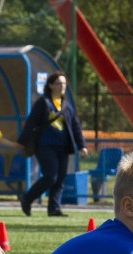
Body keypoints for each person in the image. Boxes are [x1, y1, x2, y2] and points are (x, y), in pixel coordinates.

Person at [18, 72, 88, 217]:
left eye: (64, 83)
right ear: (50, 85)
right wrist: (23, 142)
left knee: (60, 178)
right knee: (51, 176)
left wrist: (82, 146)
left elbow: (75, 126)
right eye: (58, 83)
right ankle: (28, 198)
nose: (62, 86)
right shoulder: (43, 102)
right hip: (45, 145)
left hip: (63, 146)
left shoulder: (66, 105)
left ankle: (54, 208)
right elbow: (31, 122)